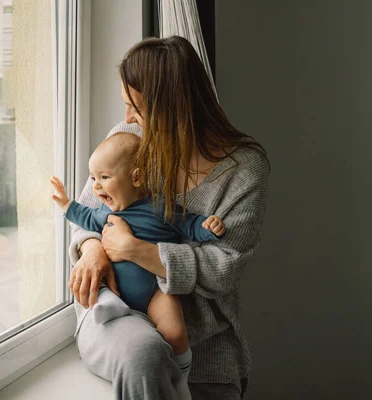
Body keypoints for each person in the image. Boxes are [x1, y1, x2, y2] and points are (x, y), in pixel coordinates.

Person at [69, 36, 269, 400]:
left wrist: (134, 249)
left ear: (172, 107)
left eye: (137, 108)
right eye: (126, 105)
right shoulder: (128, 140)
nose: (127, 117)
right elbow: (87, 216)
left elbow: (222, 268)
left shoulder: (243, 170)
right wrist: (95, 248)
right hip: (120, 314)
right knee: (143, 357)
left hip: (206, 346)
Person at [50, 132, 226, 399]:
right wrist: (65, 204)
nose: (96, 187)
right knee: (102, 296)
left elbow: (189, 223)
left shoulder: (161, 207)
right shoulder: (105, 212)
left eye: (104, 178)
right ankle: (108, 310)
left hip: (156, 290)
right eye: (93, 179)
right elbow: (84, 217)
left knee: (175, 331)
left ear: (136, 177)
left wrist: (208, 226)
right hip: (116, 290)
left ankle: (180, 383)